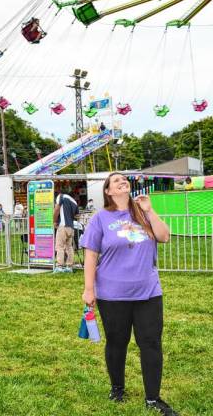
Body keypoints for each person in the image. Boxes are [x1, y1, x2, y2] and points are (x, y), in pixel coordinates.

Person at [81, 172, 177, 416]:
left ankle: (153, 399)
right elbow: (91, 254)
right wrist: (89, 289)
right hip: (112, 293)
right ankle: (117, 388)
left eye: (124, 179)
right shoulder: (100, 218)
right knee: (117, 342)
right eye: (116, 181)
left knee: (151, 343)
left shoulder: (142, 212)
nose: (122, 181)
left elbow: (164, 236)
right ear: (108, 191)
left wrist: (149, 210)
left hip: (148, 291)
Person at [54, 191, 79, 273]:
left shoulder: (61, 196)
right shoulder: (74, 202)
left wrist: (54, 221)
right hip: (71, 227)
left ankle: (59, 267)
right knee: (69, 247)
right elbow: (77, 216)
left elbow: (57, 209)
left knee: (59, 246)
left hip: (63, 225)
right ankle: (69, 266)